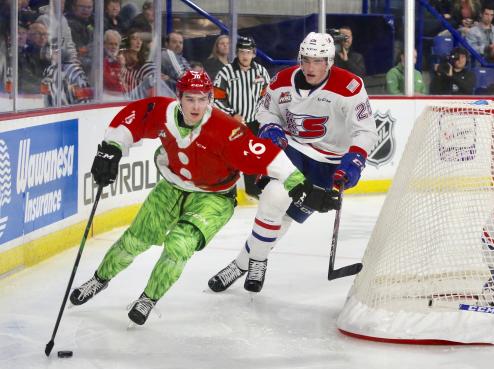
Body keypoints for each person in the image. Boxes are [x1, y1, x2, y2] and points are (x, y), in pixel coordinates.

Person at [69, 70, 337, 325]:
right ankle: (98, 279)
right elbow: (134, 117)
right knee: (135, 239)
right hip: (171, 187)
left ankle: (148, 299)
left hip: (214, 198)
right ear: (179, 97)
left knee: (179, 246)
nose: (195, 107)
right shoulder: (162, 112)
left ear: (210, 99)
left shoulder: (226, 129)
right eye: (189, 99)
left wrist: (304, 188)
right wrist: (111, 149)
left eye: (202, 99)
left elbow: (268, 156)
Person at [207, 32, 378, 293]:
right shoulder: (282, 81)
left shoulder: (349, 86)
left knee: (286, 218)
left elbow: (365, 130)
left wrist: (354, 160)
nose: (310, 67)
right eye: (306, 60)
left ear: (329, 61)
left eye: (318, 61)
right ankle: (258, 261)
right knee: (274, 199)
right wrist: (272, 127)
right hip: (293, 150)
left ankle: (243, 263)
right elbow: (265, 111)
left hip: (329, 162)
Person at [213, 36, 270, 199]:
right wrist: (232, 113)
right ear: (237, 53)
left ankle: (252, 189)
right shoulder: (225, 72)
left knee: (253, 156)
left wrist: (262, 115)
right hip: (231, 123)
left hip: (254, 122)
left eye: (248, 52)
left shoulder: (261, 71)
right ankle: (226, 190)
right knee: (230, 157)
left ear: (253, 53)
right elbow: (217, 97)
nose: (245, 55)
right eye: (242, 52)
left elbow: (266, 96)